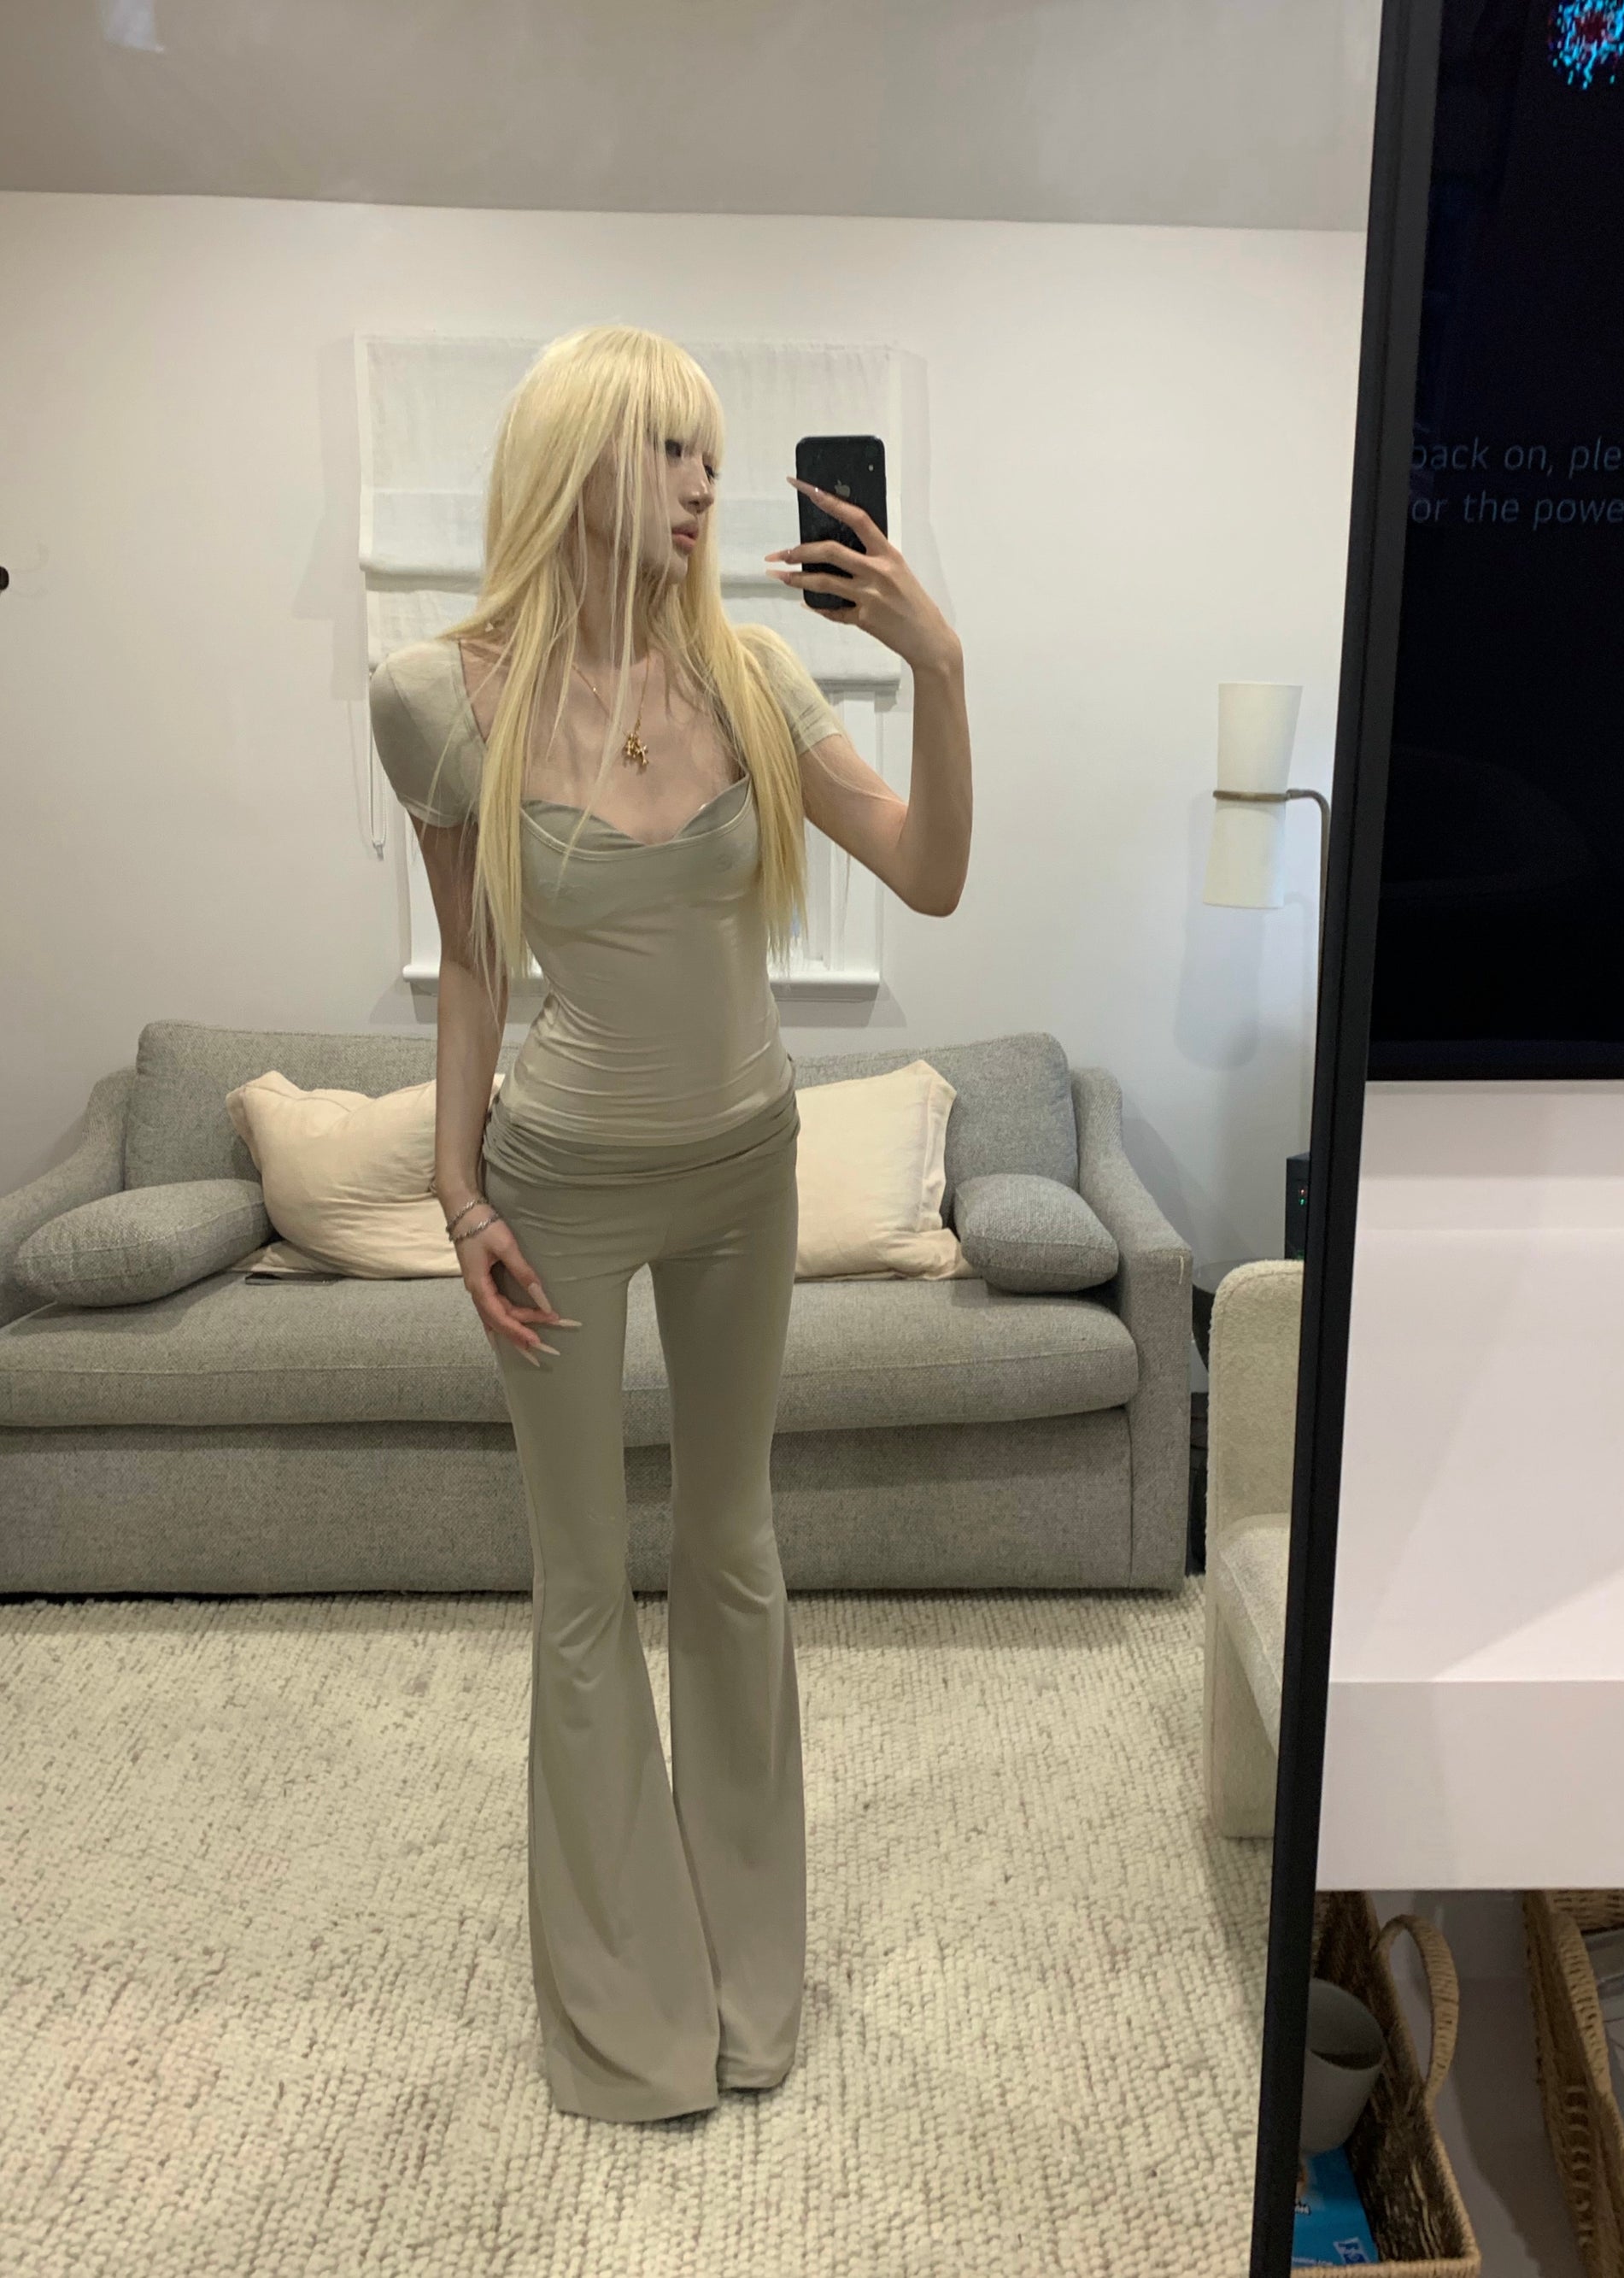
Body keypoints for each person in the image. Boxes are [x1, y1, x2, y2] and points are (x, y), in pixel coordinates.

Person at [367, 322, 970, 2123]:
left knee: (731, 1554)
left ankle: (747, 1986)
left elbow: (930, 872)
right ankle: (630, 2023)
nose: (708, 483)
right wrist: (456, 1191)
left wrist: (937, 662)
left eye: (714, 451)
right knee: (580, 1590)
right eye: (670, 450)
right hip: (557, 1181)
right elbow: (473, 967)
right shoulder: (436, 697)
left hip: (740, 1171)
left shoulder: (755, 678)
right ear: (577, 464)